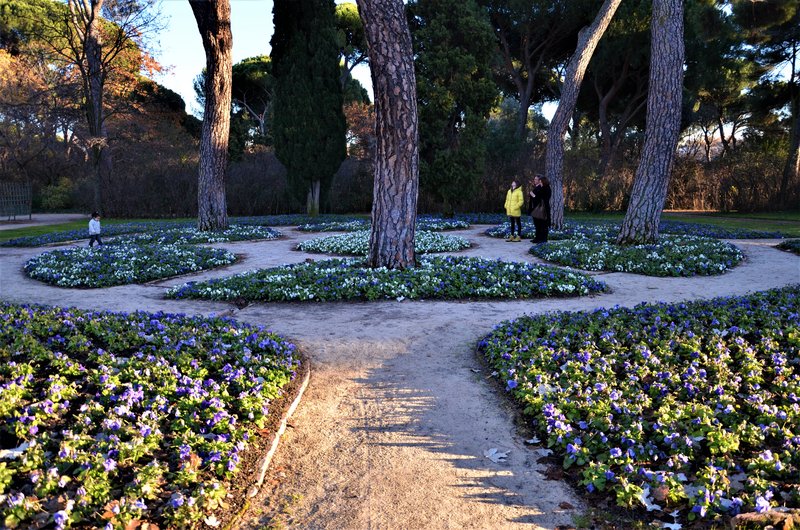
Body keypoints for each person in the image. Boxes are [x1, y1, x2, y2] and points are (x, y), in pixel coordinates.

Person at [528, 174, 551, 243]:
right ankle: (538, 238)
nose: (539, 182)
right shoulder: (541, 188)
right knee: (538, 224)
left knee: (543, 225)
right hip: (537, 209)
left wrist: (533, 195)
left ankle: (543, 239)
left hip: (543, 209)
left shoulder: (546, 188)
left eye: (540, 181)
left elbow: (541, 198)